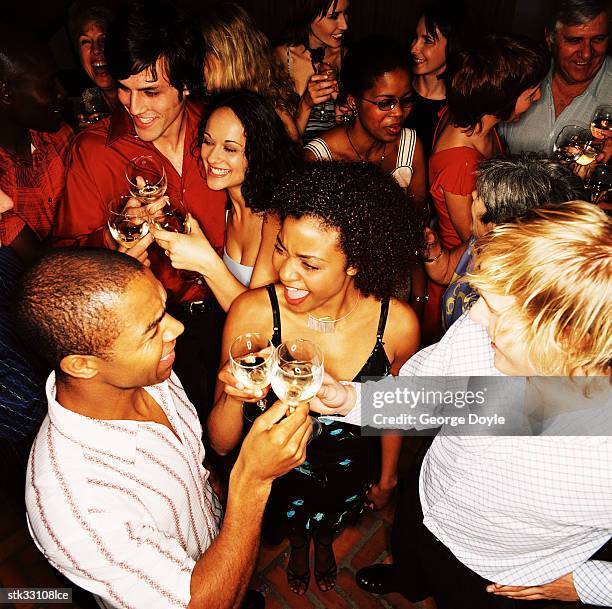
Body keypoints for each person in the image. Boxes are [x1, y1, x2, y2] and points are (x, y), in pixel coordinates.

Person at [313, 201, 612, 609]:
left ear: (566, 342)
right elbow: (430, 400)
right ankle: (410, 577)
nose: (475, 316)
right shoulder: (479, 334)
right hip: (425, 503)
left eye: (497, 311)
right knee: (412, 559)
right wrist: (349, 397)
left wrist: (588, 584)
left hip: (496, 576)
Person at [18, 248, 311, 609]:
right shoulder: (74, 507)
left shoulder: (149, 373)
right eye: (152, 327)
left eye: (163, 311)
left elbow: (191, 460)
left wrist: (210, 483)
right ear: (82, 364)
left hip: (221, 546)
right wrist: (252, 483)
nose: (177, 328)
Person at [209, 162, 421, 595]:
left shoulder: (397, 325)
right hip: (277, 473)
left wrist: (387, 479)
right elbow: (221, 442)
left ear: (356, 263)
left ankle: (323, 545)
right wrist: (233, 397)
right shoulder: (253, 314)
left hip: (348, 469)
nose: (286, 273)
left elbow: (395, 408)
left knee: (330, 524)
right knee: (292, 526)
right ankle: (300, 547)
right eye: (282, 250)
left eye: (309, 263)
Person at [53, 0, 227, 417]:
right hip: (157, 332)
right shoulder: (93, 152)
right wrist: (112, 243)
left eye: (151, 91)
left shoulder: (222, 131)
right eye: (124, 89)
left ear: (185, 84)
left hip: (234, 312)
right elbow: (60, 263)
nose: (134, 107)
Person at [424, 34, 550, 344]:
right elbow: (477, 234)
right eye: (531, 92)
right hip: (460, 281)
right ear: (502, 98)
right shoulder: (460, 162)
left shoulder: (479, 123)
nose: (537, 98)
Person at [151, 91, 302, 311]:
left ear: (260, 152)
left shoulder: (276, 216)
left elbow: (260, 317)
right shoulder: (226, 204)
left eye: (230, 148)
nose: (212, 157)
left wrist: (206, 262)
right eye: (207, 142)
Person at [424, 154, 585, 330]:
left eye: (481, 196)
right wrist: (432, 249)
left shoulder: (514, 297)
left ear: (501, 223)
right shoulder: (482, 240)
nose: (473, 193)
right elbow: (447, 270)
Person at [304, 35, 427, 202]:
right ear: (353, 102)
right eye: (385, 103)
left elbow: (418, 216)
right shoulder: (319, 158)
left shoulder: (410, 147)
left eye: (405, 100)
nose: (398, 112)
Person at [500, 0, 612, 155]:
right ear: (549, 38)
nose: (586, 54)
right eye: (575, 40)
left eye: (598, 39)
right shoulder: (521, 75)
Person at [0, 25, 72, 264]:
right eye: (48, 85)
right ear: (6, 93)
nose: (62, 93)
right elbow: (41, 263)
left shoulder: (59, 135)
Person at [201, 2, 299, 141]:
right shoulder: (203, 105)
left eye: (202, 58)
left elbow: (292, 158)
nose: (196, 67)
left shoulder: (272, 113)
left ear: (226, 58)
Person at [275, 0, 349, 142]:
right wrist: (306, 104)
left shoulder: (349, 58)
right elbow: (279, 148)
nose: (344, 25)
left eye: (346, 13)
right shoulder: (279, 59)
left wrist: (342, 106)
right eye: (333, 16)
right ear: (307, 15)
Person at [405, 1, 467, 156]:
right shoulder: (398, 89)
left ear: (452, 46)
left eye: (427, 40)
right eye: (415, 37)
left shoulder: (460, 106)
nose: (414, 48)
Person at [68, 4, 119, 128]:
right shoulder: (88, 99)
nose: (96, 50)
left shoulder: (142, 96)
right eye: (86, 41)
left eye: (104, 40)